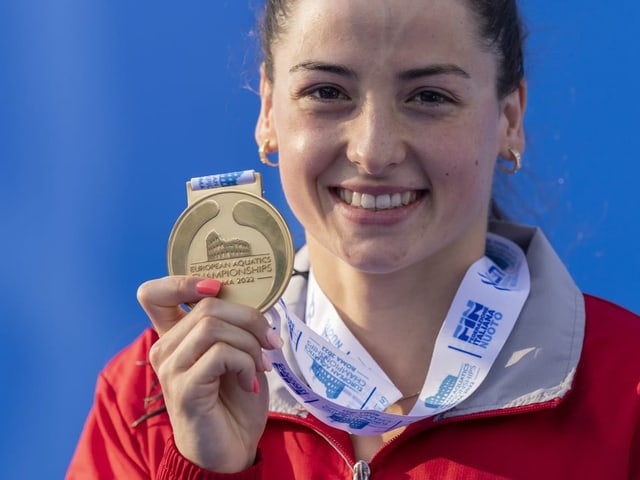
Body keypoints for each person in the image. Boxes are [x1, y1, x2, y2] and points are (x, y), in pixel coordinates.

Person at [67, 0, 640, 478]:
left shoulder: (627, 390)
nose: (373, 150)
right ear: (268, 110)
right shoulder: (149, 396)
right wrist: (201, 471)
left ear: (510, 118)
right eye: (326, 92)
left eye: (429, 97)